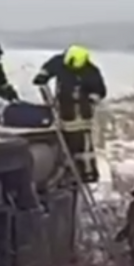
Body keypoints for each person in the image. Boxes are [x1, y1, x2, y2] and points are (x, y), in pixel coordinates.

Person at [32, 45, 107, 182]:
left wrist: (90, 98)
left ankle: (86, 172)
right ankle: (64, 169)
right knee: (63, 140)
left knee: (82, 144)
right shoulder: (61, 61)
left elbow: (100, 91)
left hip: (81, 111)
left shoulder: (91, 71)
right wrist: (42, 76)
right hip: (63, 107)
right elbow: (48, 68)